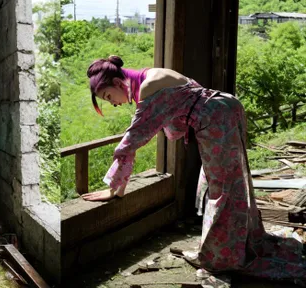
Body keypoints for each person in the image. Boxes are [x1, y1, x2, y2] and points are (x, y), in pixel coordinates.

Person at [82, 55, 306, 281]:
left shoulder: (149, 87)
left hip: (217, 119)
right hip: (225, 109)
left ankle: (222, 256)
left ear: (119, 83)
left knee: (223, 190)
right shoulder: (151, 74)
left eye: (108, 96)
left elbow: (131, 140)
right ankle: (229, 247)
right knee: (231, 183)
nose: (113, 103)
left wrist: (114, 188)